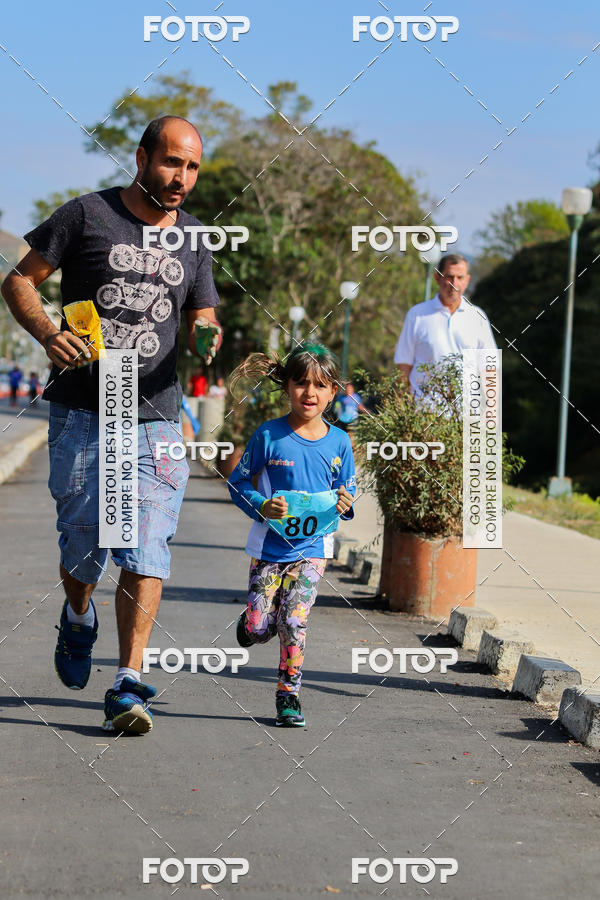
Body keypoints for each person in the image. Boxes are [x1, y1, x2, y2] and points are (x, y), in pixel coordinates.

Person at [1, 115, 222, 735]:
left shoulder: (195, 239)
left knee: (147, 545)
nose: (183, 179)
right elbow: (18, 280)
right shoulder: (85, 215)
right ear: (143, 157)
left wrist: (207, 333)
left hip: (154, 414)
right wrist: (49, 332)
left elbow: (204, 312)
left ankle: (128, 682)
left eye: (194, 167)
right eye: (173, 163)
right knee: (85, 547)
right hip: (83, 412)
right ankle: (77, 615)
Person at [227, 342, 356, 727]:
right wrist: (263, 506)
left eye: (320, 385)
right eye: (301, 383)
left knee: (295, 620)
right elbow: (237, 483)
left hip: (312, 550)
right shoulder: (269, 436)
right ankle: (250, 623)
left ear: (333, 391)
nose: (310, 393)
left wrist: (346, 505)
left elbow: (347, 496)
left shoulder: (340, 443)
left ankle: (289, 695)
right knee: (260, 627)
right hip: (268, 549)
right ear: (286, 387)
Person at [394, 254, 496, 394]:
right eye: (449, 277)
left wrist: (490, 412)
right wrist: (401, 409)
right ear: (437, 278)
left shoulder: (478, 317)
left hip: (467, 413)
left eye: (460, 277)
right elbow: (403, 366)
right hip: (423, 412)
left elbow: (489, 369)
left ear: (467, 280)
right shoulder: (416, 315)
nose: (454, 283)